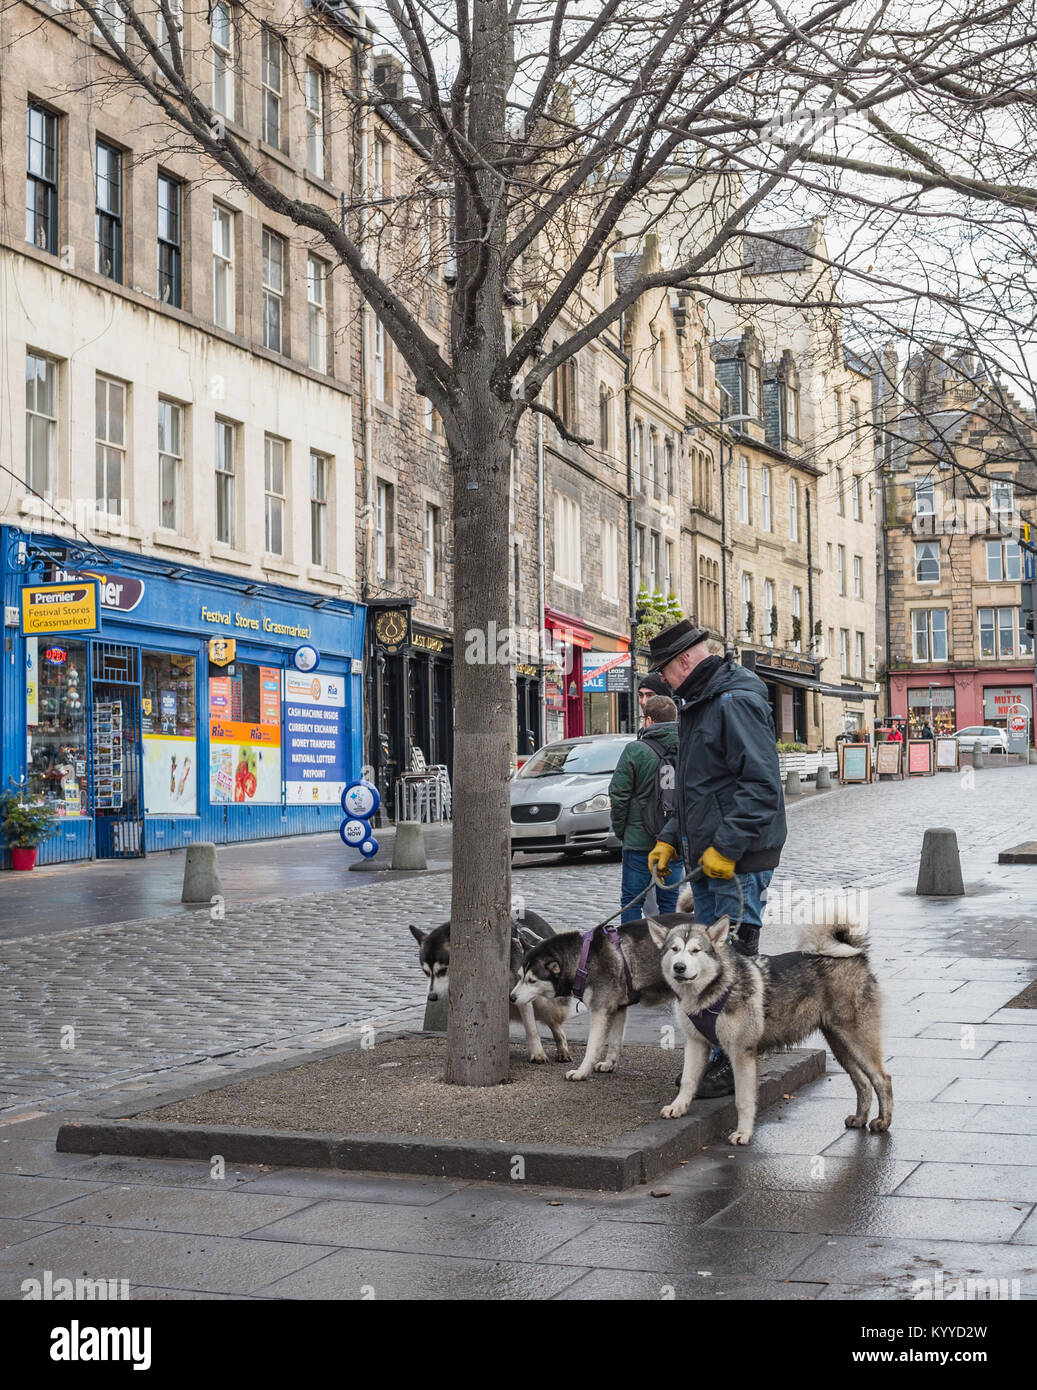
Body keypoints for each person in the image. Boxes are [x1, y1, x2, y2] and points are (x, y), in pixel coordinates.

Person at [646, 620, 787, 1096]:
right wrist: (670, 837)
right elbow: (696, 792)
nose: (662, 682)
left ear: (685, 661)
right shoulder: (702, 702)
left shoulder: (734, 699)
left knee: (736, 963)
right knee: (711, 962)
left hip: (737, 857)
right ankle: (716, 1049)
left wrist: (726, 848)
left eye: (665, 671)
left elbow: (761, 786)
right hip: (708, 855)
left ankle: (736, 1057)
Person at [609, 695, 683, 922]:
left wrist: (623, 831)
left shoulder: (636, 750)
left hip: (639, 840)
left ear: (649, 720)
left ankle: (632, 955)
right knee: (669, 902)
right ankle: (670, 949)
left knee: (632, 901)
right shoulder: (687, 745)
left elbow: (618, 793)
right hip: (673, 839)